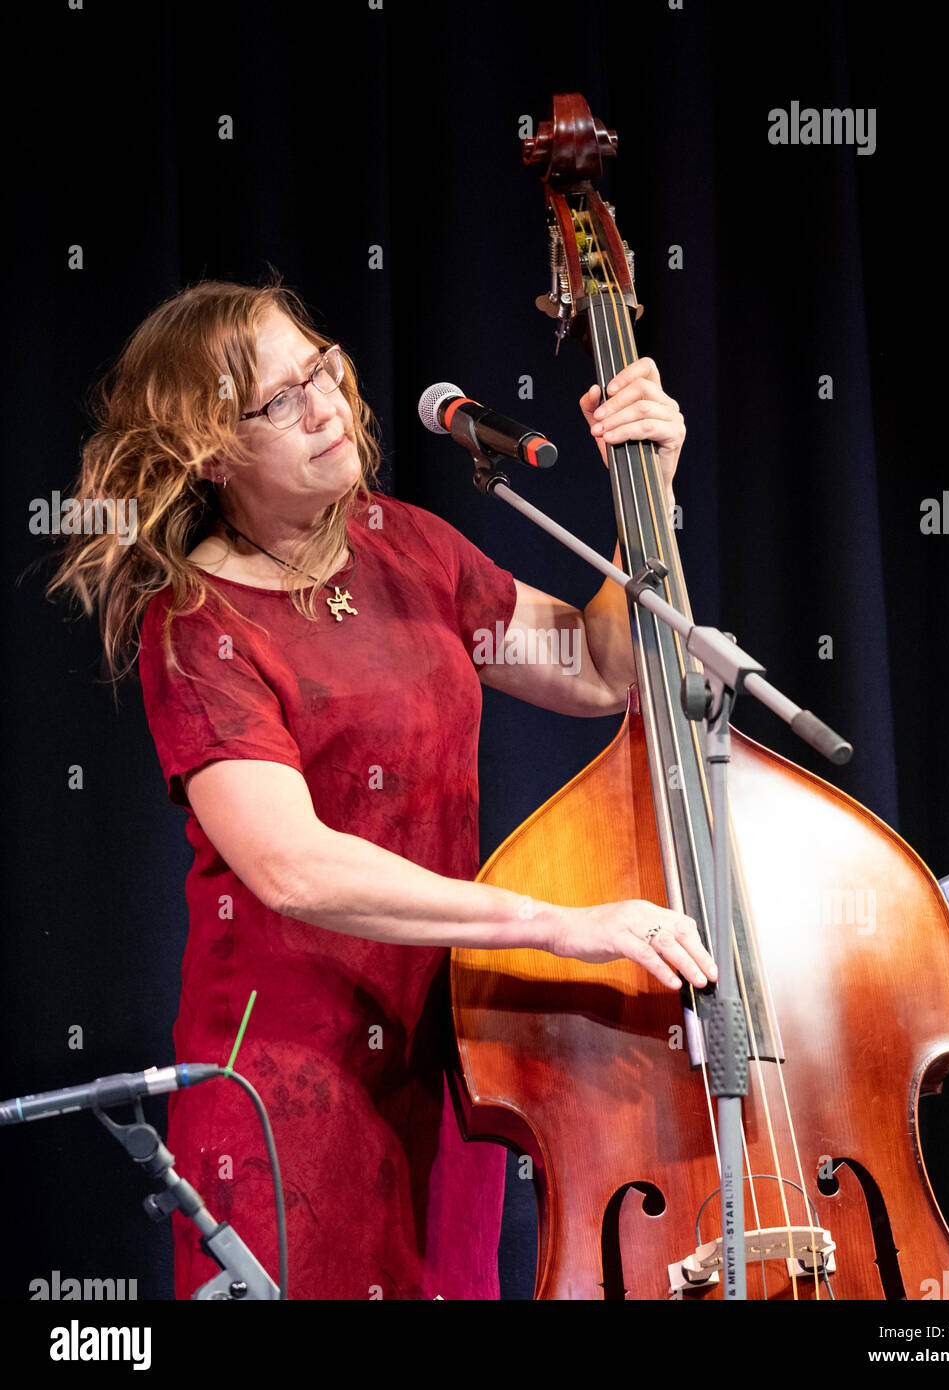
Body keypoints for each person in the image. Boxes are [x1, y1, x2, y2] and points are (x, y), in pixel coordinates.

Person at [48, 278, 716, 1300]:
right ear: (210, 451)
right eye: (279, 400)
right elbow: (294, 867)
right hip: (286, 1085)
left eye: (318, 369)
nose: (324, 404)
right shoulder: (195, 626)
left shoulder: (403, 543)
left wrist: (646, 494)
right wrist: (554, 923)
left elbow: (599, 666)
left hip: (445, 1066)